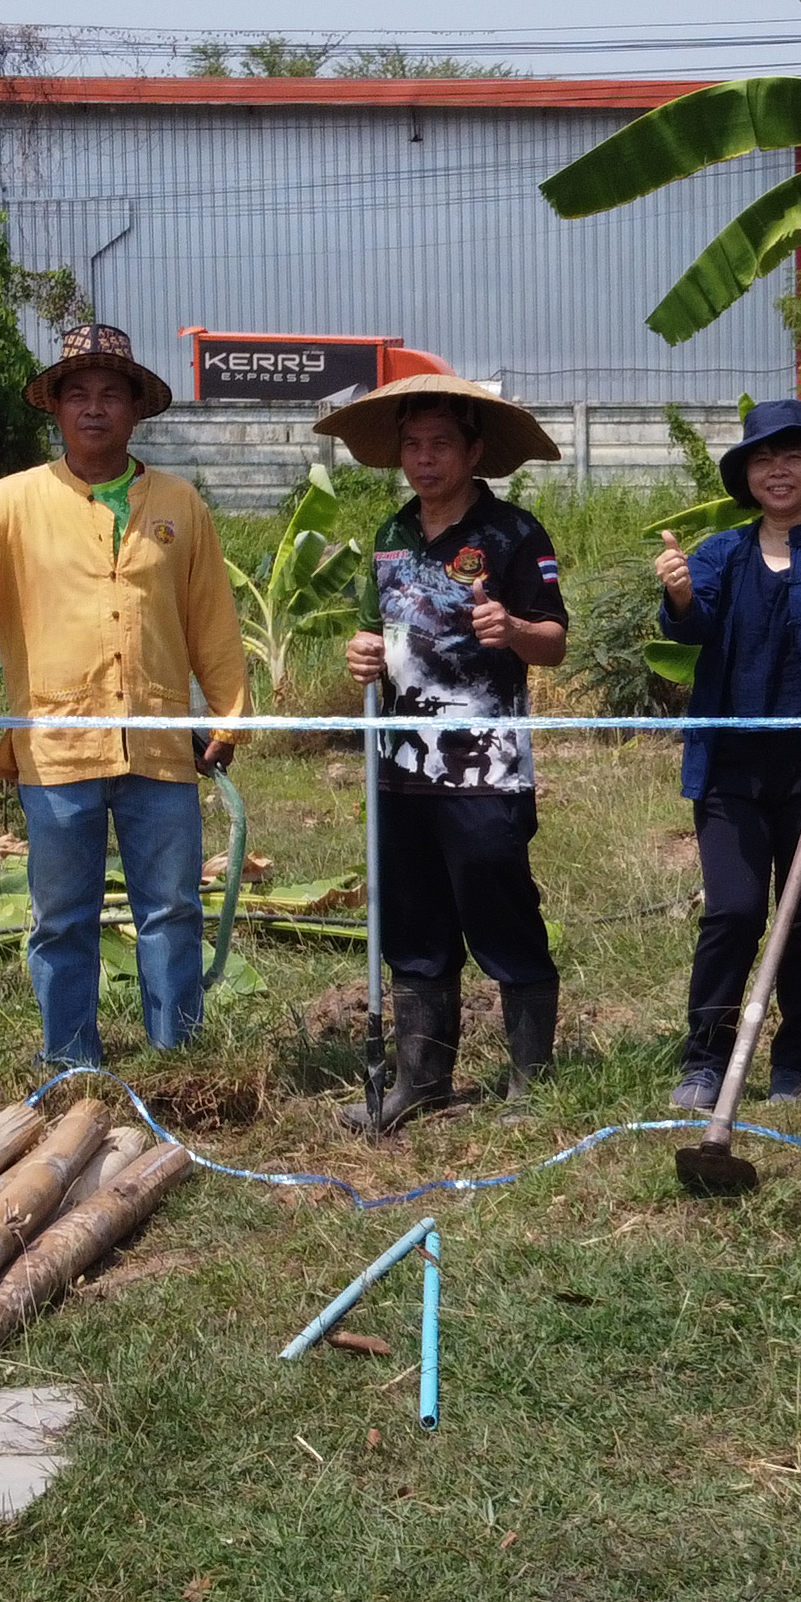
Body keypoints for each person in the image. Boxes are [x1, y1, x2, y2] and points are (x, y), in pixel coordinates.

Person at [0, 325, 250, 1070]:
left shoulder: (178, 504)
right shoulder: (13, 500)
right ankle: (70, 1060)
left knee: (173, 908)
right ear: (57, 409)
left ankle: (176, 1056)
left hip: (159, 743)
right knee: (63, 916)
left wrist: (229, 713)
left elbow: (211, 617)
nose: (94, 409)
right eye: (79, 395)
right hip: (57, 747)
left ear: (135, 410)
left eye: (110, 395)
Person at [324, 374, 571, 1128]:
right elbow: (376, 636)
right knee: (414, 924)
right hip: (400, 766)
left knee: (500, 910)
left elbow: (554, 641)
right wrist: (361, 652)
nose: (424, 460)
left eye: (440, 445)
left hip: (485, 762)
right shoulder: (392, 537)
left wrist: (515, 633)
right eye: (412, 445)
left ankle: (532, 1084)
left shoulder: (515, 535)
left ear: (474, 452)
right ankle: (420, 1082)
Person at [655, 396, 801, 1132]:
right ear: (747, 474)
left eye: (792, 456)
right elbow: (694, 626)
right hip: (730, 765)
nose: (777, 470)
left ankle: (795, 1059)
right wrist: (682, 592)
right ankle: (706, 1056)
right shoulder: (721, 551)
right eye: (762, 458)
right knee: (734, 909)